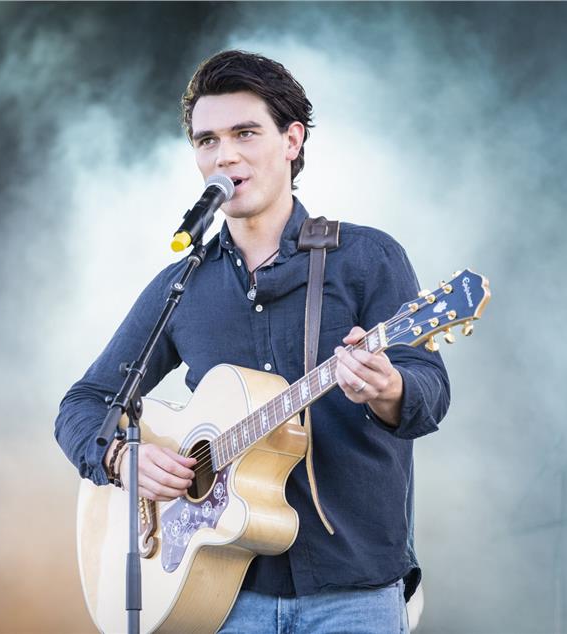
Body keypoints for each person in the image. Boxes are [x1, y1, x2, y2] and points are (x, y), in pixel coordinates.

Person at [54, 49, 449, 633]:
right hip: (221, 594)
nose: (225, 155)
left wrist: (389, 387)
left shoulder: (366, 259)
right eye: (206, 140)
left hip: (353, 589)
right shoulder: (184, 284)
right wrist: (122, 459)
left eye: (245, 133)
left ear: (292, 140)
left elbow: (430, 390)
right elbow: (83, 404)